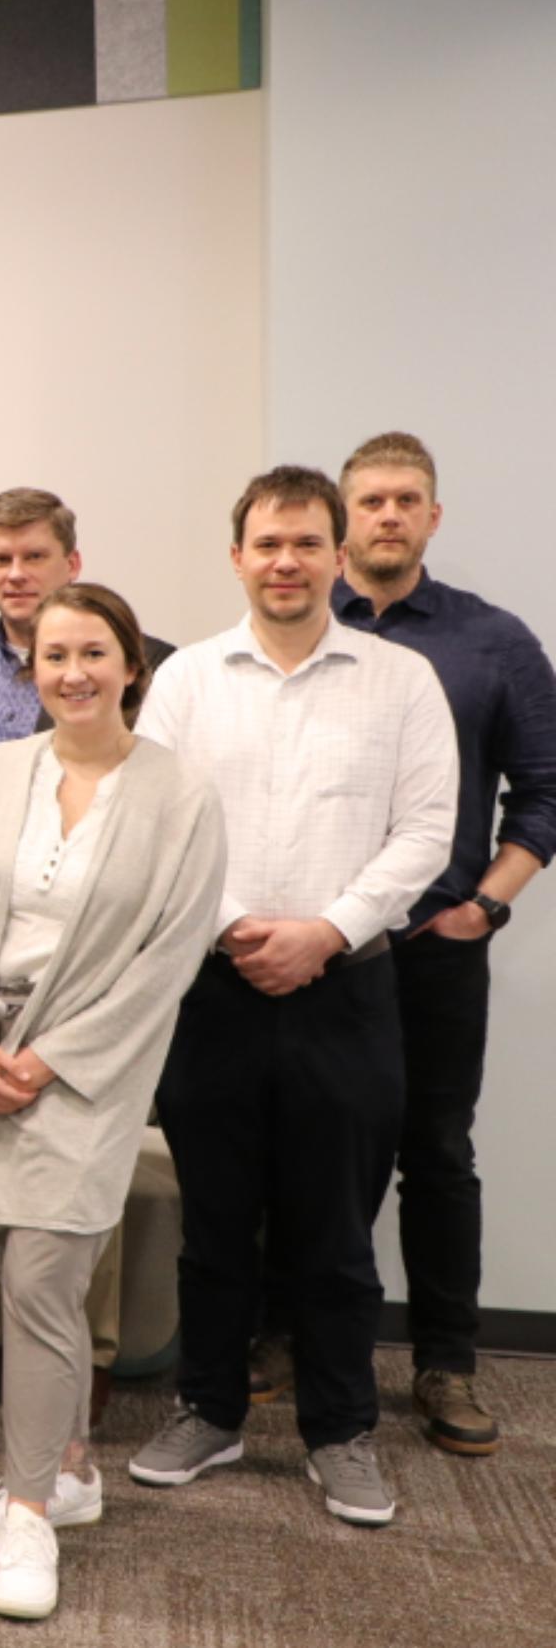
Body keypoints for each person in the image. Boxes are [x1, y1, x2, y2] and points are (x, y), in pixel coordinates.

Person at [129, 466, 455, 1529]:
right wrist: (231, 924)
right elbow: (158, 823)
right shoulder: (183, 680)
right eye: (266, 544)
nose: (285, 562)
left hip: (346, 992)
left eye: (305, 543)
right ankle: (208, 1411)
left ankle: (339, 1432)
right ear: (237, 557)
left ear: (335, 552)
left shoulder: (400, 680)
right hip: (211, 991)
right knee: (214, 1220)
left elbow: (424, 836)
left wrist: (322, 932)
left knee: (334, 1233)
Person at [0, 584, 226, 1620]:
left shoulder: (180, 794)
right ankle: (75, 1466)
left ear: (131, 664)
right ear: (29, 668)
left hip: (85, 1076)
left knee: (44, 1285)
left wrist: (43, 1060)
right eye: (52, 655)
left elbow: (165, 963)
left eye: (93, 652)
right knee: (12, 1269)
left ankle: (29, 1511)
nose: (73, 673)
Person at [0, 491, 176, 1426]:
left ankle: (86, 1352)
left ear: (72, 559)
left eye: (34, 555)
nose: (16, 573)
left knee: (74, 1183)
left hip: (86, 983)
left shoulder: (147, 670)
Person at [330, 432, 556, 1457]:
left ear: (432, 517)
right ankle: (293, 1341)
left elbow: (545, 793)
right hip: (318, 947)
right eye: (369, 498)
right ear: (342, 516)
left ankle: (445, 1364)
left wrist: (486, 906)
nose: (386, 514)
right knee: (314, 1148)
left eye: (405, 499)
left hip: (433, 947)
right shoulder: (292, 627)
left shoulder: (491, 642)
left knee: (434, 1154)